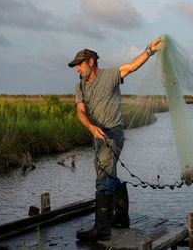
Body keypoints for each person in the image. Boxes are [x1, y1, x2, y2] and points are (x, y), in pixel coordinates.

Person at [68, 37, 162, 241]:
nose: (77, 69)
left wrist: (150, 50)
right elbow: (80, 112)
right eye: (75, 66)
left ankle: (102, 229)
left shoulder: (110, 75)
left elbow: (132, 66)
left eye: (79, 65)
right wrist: (91, 127)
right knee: (109, 175)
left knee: (103, 181)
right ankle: (120, 218)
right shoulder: (80, 87)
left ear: (90, 62)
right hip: (97, 134)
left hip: (113, 133)